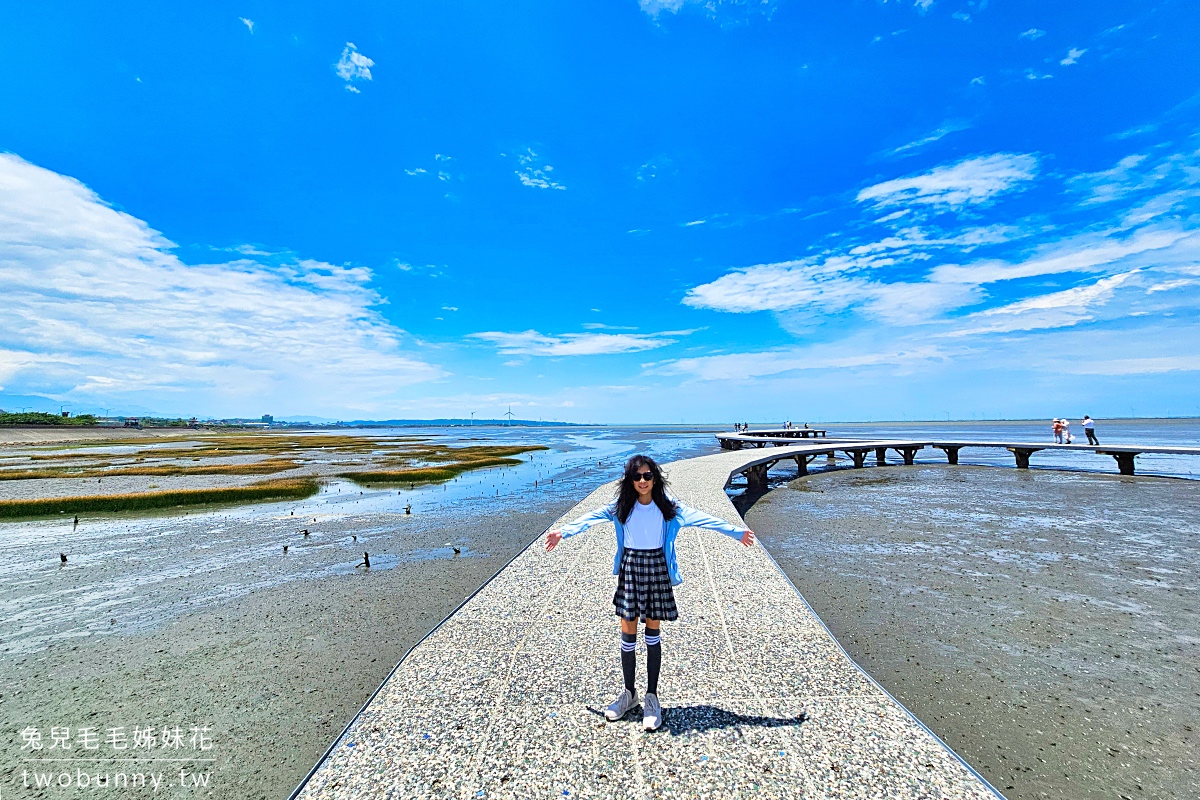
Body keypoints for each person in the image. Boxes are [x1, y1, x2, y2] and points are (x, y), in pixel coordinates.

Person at [545, 455, 755, 732]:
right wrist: (563, 532)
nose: (642, 481)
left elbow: (703, 519)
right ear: (629, 480)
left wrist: (736, 532)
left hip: (657, 568)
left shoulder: (669, 508)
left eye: (647, 476)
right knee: (627, 631)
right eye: (637, 477)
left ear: (655, 478)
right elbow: (591, 517)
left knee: (652, 632)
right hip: (631, 568)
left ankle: (651, 696)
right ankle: (629, 694)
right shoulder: (621, 507)